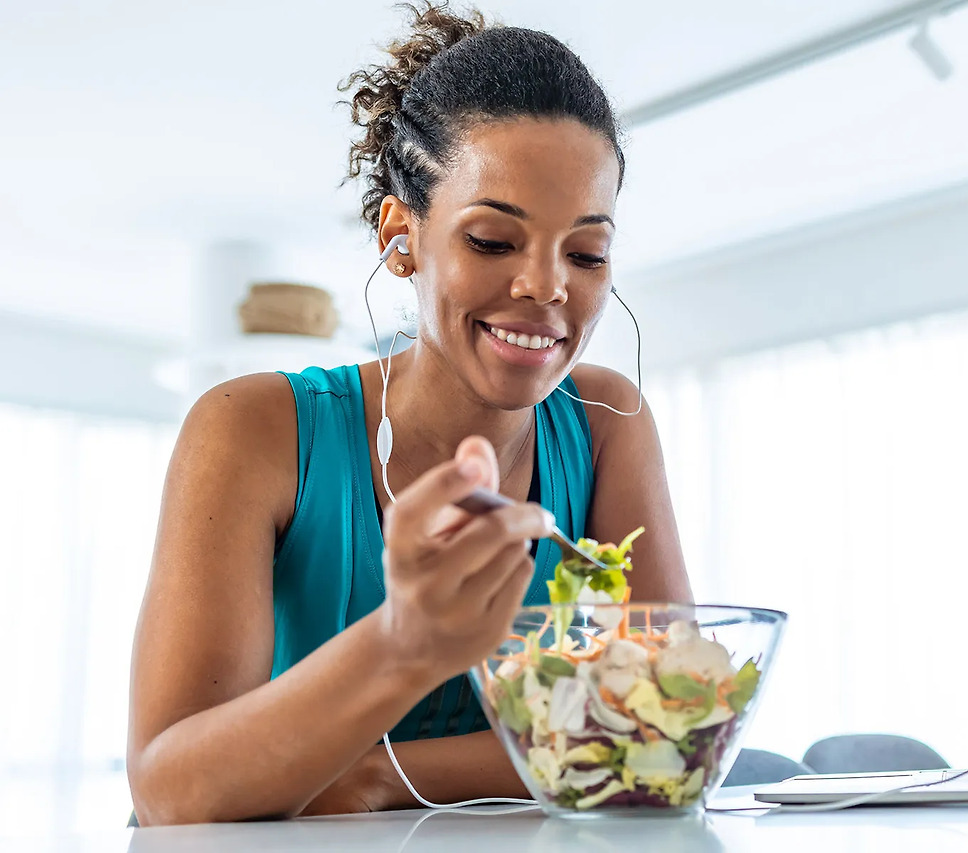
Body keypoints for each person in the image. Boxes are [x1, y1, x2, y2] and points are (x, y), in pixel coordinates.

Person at [126, 3, 692, 825]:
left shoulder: (609, 424)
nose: (547, 287)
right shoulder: (250, 429)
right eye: (494, 240)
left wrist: (370, 774)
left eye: (586, 252)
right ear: (402, 238)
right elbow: (172, 791)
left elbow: (667, 729)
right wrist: (402, 642)